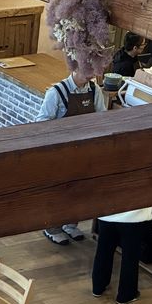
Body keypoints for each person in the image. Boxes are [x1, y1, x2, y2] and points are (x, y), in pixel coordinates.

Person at [33, 70, 107, 244]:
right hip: (60, 153)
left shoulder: (94, 90)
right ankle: (52, 228)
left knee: (79, 190)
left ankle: (71, 224)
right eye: (87, 70)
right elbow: (41, 123)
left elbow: (102, 117)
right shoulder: (56, 92)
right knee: (59, 192)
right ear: (75, 67)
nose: (91, 75)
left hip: (84, 151)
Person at [91, 205, 152, 304]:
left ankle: (98, 287)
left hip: (106, 212)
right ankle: (126, 295)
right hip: (134, 216)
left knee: (103, 251)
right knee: (130, 256)